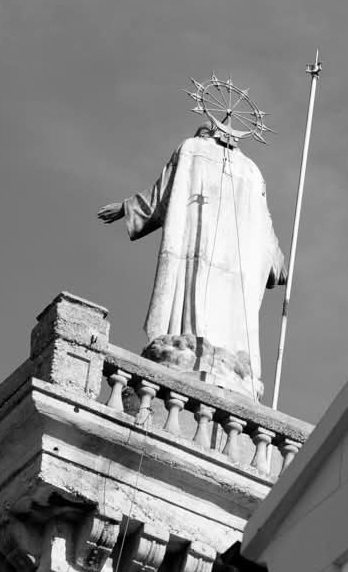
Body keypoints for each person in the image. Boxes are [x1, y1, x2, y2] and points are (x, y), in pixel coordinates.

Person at [99, 125, 286, 394]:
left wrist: (125, 207)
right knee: (226, 308)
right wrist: (278, 263)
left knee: (194, 299)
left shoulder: (192, 149)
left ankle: (196, 350)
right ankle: (215, 358)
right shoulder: (252, 171)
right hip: (232, 261)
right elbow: (265, 231)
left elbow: (162, 194)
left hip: (199, 248)